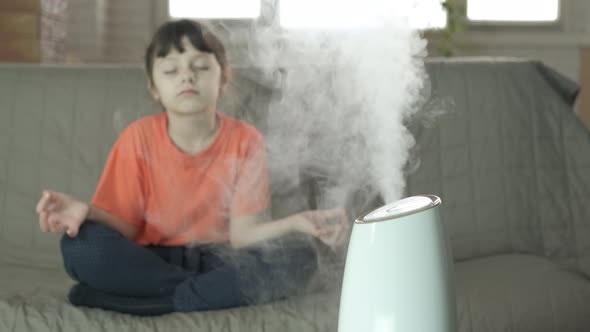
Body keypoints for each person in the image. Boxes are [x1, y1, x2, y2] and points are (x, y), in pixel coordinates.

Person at [35, 19, 349, 316]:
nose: (187, 76)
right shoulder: (138, 137)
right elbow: (126, 227)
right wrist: (85, 211)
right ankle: (201, 295)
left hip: (222, 260)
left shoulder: (245, 139)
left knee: (301, 257)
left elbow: (242, 236)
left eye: (200, 66)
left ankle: (146, 300)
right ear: (154, 88)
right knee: (80, 246)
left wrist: (297, 222)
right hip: (151, 258)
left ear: (223, 78)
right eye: (171, 70)